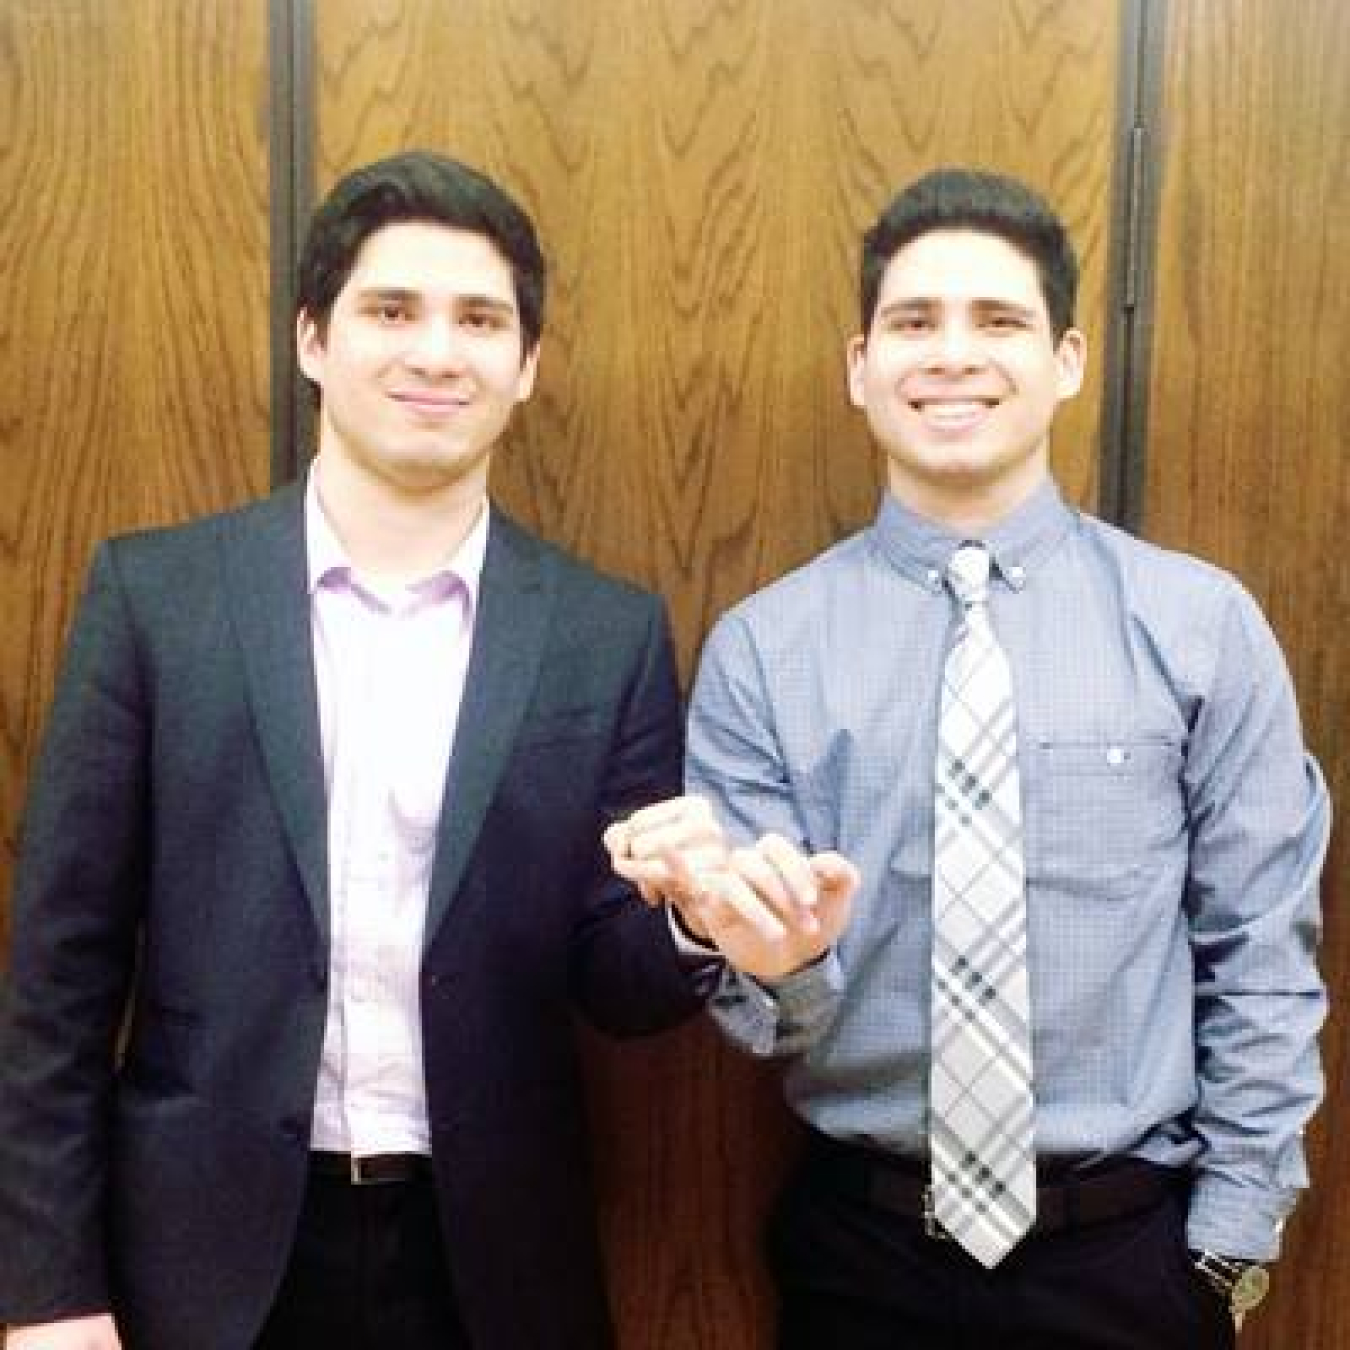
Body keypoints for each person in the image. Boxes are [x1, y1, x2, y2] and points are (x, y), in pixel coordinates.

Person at [608, 167, 1330, 1348]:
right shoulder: (764, 650)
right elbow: (760, 1012)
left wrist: (1227, 1249)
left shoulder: (1199, 628)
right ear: (860, 366)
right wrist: (779, 959)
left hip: (1135, 1260)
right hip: (866, 1256)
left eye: (998, 322)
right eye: (913, 323)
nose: (953, 355)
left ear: (1068, 360)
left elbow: (1261, 948)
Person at [0, 150, 708, 1350]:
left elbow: (617, 980)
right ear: (313, 339)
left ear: (526, 365)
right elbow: (57, 987)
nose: (437, 352)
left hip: (486, 1266)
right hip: (200, 1264)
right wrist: (49, 1296)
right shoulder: (157, 598)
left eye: (480, 319)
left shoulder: (606, 632)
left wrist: (703, 927)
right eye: (392, 309)